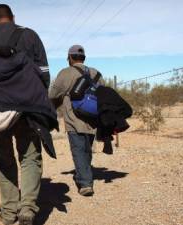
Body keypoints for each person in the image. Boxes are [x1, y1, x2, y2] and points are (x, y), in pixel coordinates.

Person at [0, 4, 52, 225]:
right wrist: (38, 101)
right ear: (13, 18)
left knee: (4, 159)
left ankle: (8, 212)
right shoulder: (30, 36)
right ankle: (27, 208)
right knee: (29, 157)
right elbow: (44, 75)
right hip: (27, 108)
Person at [49, 45, 104, 197]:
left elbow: (53, 94)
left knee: (78, 150)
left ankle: (85, 183)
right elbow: (102, 94)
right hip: (93, 119)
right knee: (86, 149)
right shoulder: (96, 73)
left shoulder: (65, 73)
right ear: (83, 58)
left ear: (70, 58)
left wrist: (53, 107)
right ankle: (85, 172)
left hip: (74, 119)